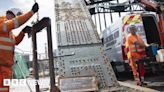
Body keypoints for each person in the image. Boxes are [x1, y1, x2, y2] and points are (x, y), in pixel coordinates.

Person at [0, 3, 39, 86]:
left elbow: (15, 42)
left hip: (5, 68)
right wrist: (31, 12)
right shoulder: (2, 23)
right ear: (12, 15)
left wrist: (22, 32)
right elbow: (15, 23)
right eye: (15, 18)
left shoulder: (8, 33)